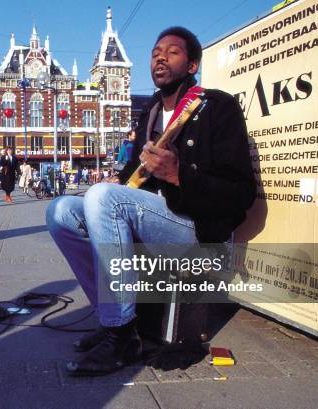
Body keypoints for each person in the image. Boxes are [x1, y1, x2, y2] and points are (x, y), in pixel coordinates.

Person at [46, 27, 256, 376]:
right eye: (156, 51)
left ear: (192, 65)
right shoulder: (151, 115)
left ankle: (121, 334)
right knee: (61, 211)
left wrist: (179, 176)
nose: (160, 56)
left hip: (197, 229)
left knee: (102, 197)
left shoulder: (217, 106)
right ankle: (113, 317)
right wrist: (119, 182)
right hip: (153, 220)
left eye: (172, 52)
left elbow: (240, 194)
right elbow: (133, 178)